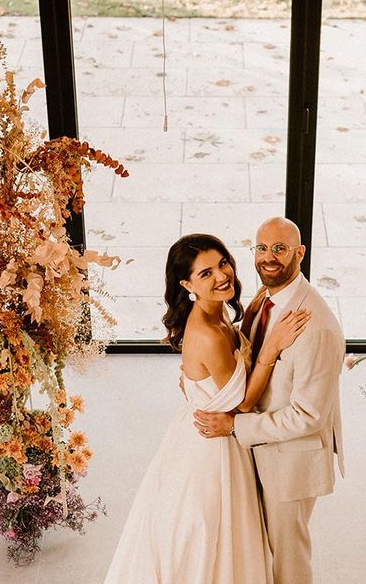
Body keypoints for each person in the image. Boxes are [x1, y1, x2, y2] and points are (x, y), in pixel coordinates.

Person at [104, 233, 310, 584]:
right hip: (211, 447)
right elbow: (244, 400)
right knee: (207, 532)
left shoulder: (215, 314)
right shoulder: (208, 333)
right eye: (206, 274)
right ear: (186, 284)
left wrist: (260, 306)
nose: (221, 276)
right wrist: (272, 347)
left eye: (223, 264)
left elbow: (230, 359)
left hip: (205, 431)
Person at [194, 217, 345, 584]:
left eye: (280, 248)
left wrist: (234, 425)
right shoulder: (268, 301)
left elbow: (308, 416)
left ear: (300, 253)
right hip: (259, 450)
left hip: (290, 462)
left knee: (287, 559)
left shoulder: (317, 327)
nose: (268, 257)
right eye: (261, 248)